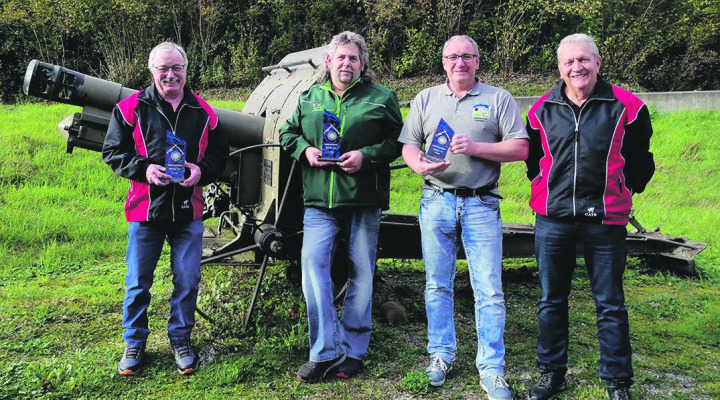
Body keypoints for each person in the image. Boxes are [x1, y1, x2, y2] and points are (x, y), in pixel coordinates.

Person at [525, 33, 654, 400]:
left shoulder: (628, 107)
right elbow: (532, 162)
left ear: (598, 63)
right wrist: (545, 188)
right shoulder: (541, 109)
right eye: (569, 62)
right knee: (551, 300)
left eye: (584, 60)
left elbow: (642, 162)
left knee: (610, 302)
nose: (576, 67)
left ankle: (617, 381)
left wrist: (622, 191)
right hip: (553, 219)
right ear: (560, 68)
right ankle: (551, 374)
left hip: (607, 221)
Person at [399, 35, 528, 399]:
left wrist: (476, 147)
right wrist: (419, 163)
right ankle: (441, 353)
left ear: (477, 61)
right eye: (453, 56)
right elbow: (409, 144)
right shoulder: (426, 98)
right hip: (436, 200)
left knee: (489, 288)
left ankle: (491, 367)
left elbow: (520, 147)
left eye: (467, 56)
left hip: (481, 203)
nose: (460, 62)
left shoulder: (497, 98)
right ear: (443, 62)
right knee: (437, 283)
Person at [278, 31, 403, 383]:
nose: (346, 63)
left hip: (363, 198)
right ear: (328, 61)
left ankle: (354, 350)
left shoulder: (381, 98)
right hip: (319, 200)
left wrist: (367, 156)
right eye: (340, 57)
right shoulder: (310, 97)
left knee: (361, 272)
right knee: (312, 267)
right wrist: (305, 150)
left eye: (353, 58)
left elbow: (398, 141)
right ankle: (325, 350)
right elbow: (288, 134)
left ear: (363, 64)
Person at [103, 41, 229, 376]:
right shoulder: (130, 108)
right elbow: (113, 152)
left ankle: (181, 340)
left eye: (177, 68)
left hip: (189, 211)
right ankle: (134, 342)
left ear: (186, 70)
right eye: (163, 68)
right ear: (152, 70)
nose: (170, 75)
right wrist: (143, 170)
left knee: (187, 280)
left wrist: (203, 171)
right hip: (145, 210)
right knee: (137, 281)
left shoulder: (206, 113)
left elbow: (221, 155)